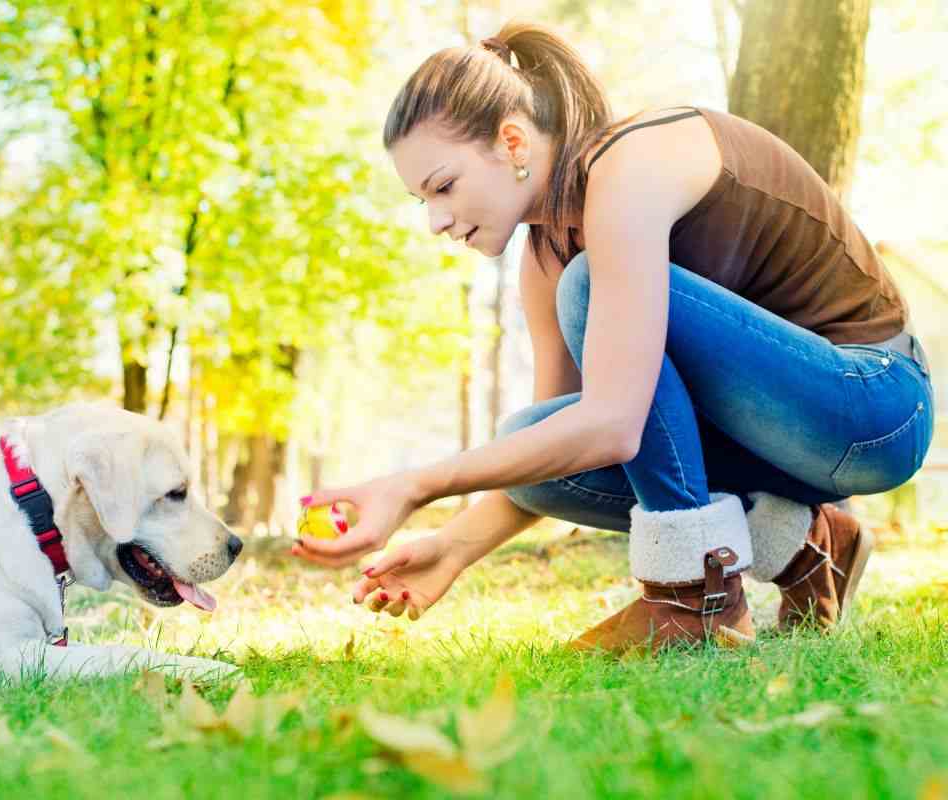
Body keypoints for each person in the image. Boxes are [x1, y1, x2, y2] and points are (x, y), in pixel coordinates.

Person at [290, 21, 935, 653]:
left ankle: (693, 595)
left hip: (873, 404)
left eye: (444, 187)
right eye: (420, 200)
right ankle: (811, 545)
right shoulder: (544, 257)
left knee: (588, 286)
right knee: (528, 439)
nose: (434, 221)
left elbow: (612, 425)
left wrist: (412, 486)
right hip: (780, 437)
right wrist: (453, 548)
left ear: (513, 142)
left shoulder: (630, 169)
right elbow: (559, 450)